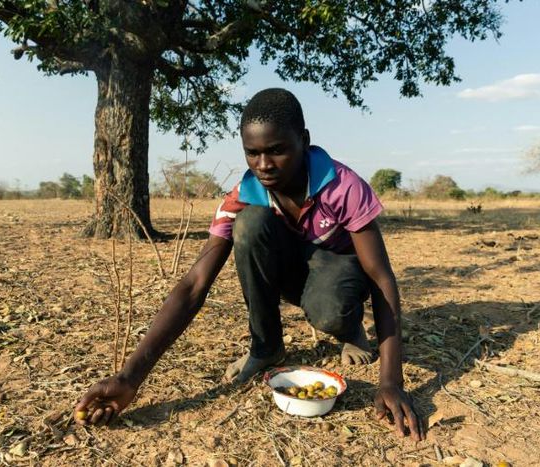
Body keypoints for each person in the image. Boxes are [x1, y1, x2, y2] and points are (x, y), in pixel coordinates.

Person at [74, 88, 423, 441]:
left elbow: (380, 278)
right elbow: (194, 284)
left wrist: (391, 381)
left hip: (340, 268)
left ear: (303, 140)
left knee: (329, 312)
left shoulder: (341, 186)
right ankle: (266, 348)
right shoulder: (242, 196)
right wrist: (129, 377)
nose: (264, 165)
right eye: (252, 153)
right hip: (296, 271)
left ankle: (350, 333)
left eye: (277, 150)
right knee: (250, 224)